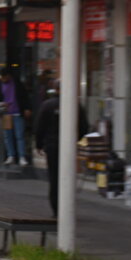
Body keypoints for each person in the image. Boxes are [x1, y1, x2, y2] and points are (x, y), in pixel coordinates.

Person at [33, 82, 88, 217]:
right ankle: (67, 208)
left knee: (54, 177)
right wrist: (75, 139)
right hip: (68, 146)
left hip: (52, 145)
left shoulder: (47, 105)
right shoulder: (76, 105)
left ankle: (56, 210)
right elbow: (84, 126)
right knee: (68, 177)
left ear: (55, 90)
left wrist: (39, 144)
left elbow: (39, 127)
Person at [0, 67, 31, 165]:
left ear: (9, 76)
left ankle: (21, 156)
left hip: (17, 112)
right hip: (6, 113)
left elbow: (24, 96)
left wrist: (26, 108)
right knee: (8, 136)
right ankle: (11, 155)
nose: (3, 79)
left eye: (4, 77)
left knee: (19, 135)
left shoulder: (17, 83)